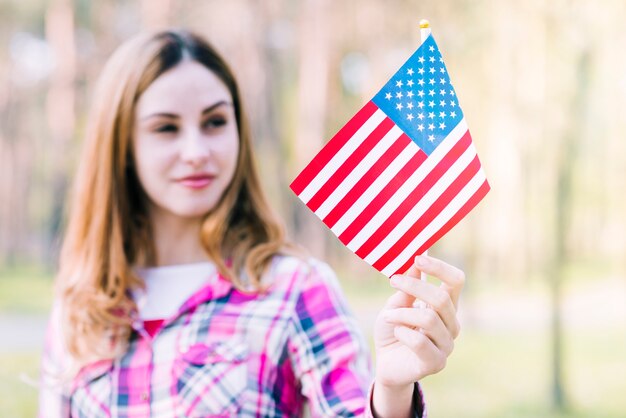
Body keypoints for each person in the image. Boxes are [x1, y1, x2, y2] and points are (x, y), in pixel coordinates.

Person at [38, 29, 465, 418]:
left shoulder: (295, 288)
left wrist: (391, 392)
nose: (196, 150)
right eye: (166, 128)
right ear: (122, 146)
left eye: (215, 122)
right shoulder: (79, 308)